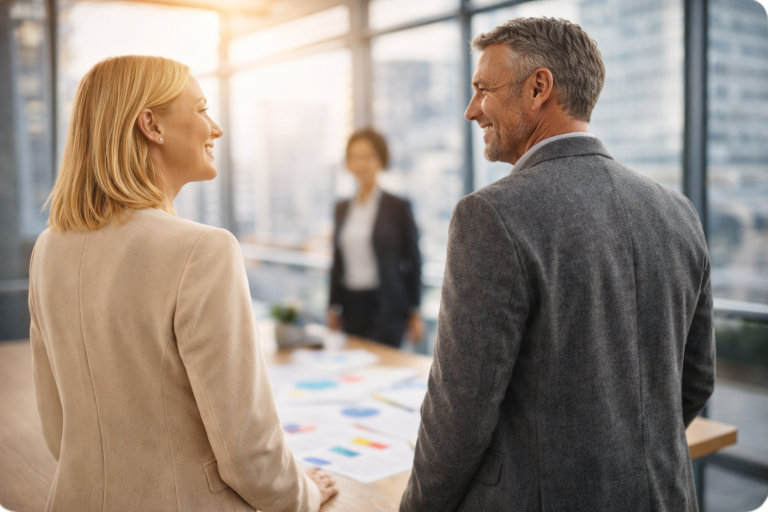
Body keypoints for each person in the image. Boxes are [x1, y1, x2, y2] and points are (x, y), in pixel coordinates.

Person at [401, 17, 714, 512]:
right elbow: (695, 379)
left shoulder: (491, 215)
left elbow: (459, 413)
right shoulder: (677, 210)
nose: (471, 110)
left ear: (538, 87)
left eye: (483, 89)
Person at [29, 55, 337, 512]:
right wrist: (305, 493)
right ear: (151, 124)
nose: (215, 128)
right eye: (201, 108)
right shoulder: (203, 249)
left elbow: (60, 432)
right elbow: (248, 451)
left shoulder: (48, 248)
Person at [327, 129, 423, 348]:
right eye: (354, 157)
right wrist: (332, 306)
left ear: (381, 159)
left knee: (385, 371)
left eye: (368, 156)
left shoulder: (398, 207)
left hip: (387, 305)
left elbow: (414, 261)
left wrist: (415, 310)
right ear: (348, 163)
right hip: (351, 305)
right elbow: (337, 260)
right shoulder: (341, 208)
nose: (361, 163)